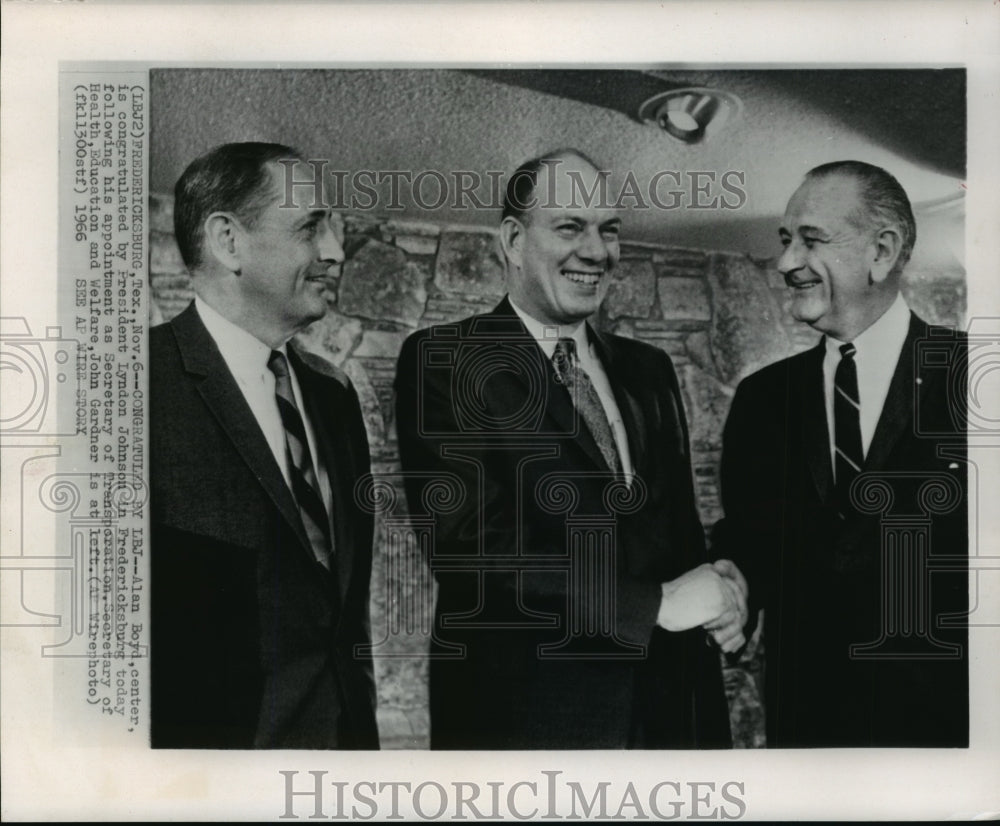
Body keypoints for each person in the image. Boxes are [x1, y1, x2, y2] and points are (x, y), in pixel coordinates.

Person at [394, 149, 745, 749]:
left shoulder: (650, 368)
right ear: (511, 238)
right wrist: (655, 604)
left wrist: (724, 590)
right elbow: (473, 547)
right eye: (569, 227)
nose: (597, 250)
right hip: (528, 725)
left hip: (669, 715)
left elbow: (677, 530)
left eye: (609, 230)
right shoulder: (444, 361)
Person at [714, 160, 968, 747]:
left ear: (882, 250)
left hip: (949, 738)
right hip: (809, 730)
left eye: (811, 240)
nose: (785, 263)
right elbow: (748, 538)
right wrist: (734, 586)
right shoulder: (761, 399)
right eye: (784, 241)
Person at [150, 142, 379, 749]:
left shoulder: (334, 399)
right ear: (228, 241)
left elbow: (343, 617)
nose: (335, 250)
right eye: (311, 226)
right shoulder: (131, 386)